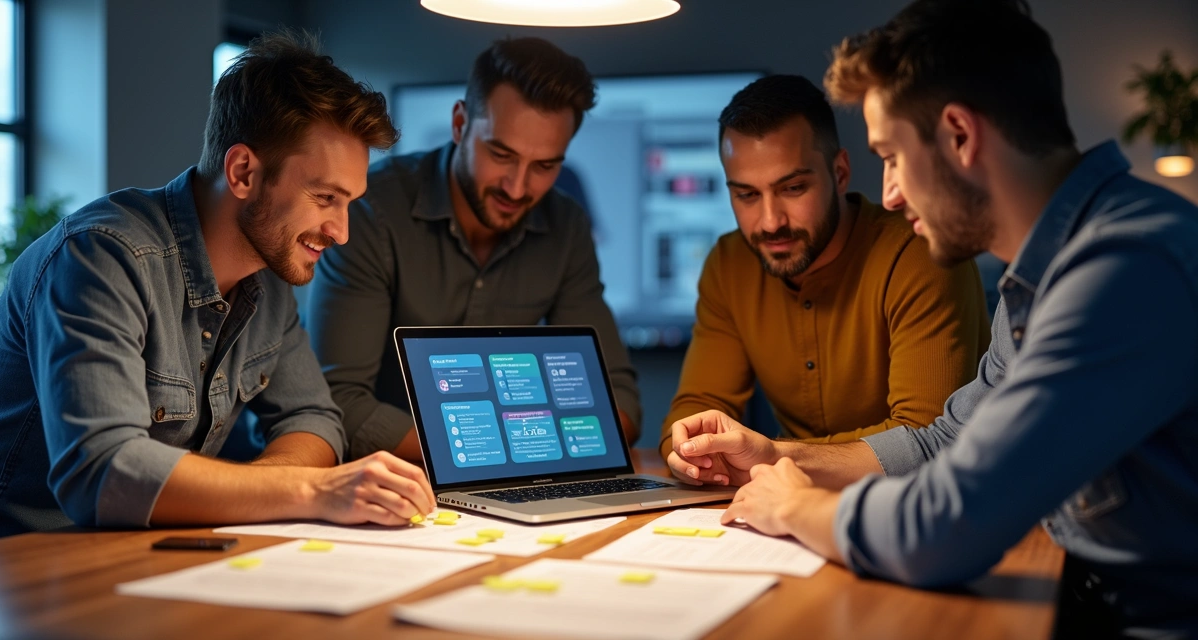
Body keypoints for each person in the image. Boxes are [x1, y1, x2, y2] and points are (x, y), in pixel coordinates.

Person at [669, 1, 1198, 635]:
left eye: (891, 155)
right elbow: (941, 443)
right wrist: (777, 454)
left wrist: (798, 508)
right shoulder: (1040, 274)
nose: (888, 193)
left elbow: (947, 526)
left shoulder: (1123, 268)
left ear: (960, 136)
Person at [0, 30, 435, 539]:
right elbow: (102, 471)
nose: (341, 232)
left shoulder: (266, 276)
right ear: (242, 171)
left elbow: (314, 419)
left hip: (158, 550)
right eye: (325, 197)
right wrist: (311, 491)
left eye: (349, 202)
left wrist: (257, 487)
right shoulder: (102, 256)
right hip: (22, 564)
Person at [308, 37, 641, 462]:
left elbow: (619, 398)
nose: (518, 187)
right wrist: (494, 457)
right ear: (461, 124)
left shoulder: (566, 226)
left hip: (515, 476)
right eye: (501, 154)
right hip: (390, 481)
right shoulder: (371, 211)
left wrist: (510, 461)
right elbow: (339, 401)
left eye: (544, 166)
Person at [659, 75, 989, 469]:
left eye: (793, 188)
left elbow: (925, 442)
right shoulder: (730, 264)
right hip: (795, 504)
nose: (770, 221)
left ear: (840, 172)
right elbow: (695, 409)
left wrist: (772, 458)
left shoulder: (920, 253)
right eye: (746, 195)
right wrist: (687, 451)